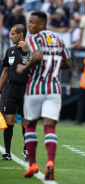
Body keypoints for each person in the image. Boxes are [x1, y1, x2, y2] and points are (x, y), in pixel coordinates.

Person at [16, 11, 71, 180]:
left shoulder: (33, 39)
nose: (29, 26)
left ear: (42, 24)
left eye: (32, 23)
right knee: (49, 127)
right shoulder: (59, 39)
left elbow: (38, 56)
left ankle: (32, 164)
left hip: (34, 89)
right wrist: (52, 64)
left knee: (30, 125)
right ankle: (50, 162)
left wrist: (23, 68)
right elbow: (68, 63)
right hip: (54, 89)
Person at [0, 24, 29, 161]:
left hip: (26, 89)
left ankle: (26, 149)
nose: (10, 36)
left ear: (21, 35)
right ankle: (7, 153)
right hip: (11, 89)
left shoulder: (32, 51)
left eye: (13, 34)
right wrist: (0, 90)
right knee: (9, 120)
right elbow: (5, 72)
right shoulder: (9, 51)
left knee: (25, 122)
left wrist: (27, 52)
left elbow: (37, 69)